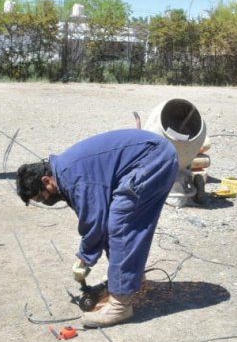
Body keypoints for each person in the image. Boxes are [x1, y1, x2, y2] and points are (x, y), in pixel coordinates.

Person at [15, 129, 179, 328]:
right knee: (118, 220)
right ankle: (130, 278)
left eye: (41, 197)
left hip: (153, 159)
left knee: (121, 224)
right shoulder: (66, 173)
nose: (45, 201)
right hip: (153, 157)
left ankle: (120, 306)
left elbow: (95, 221)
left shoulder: (73, 178)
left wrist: (84, 258)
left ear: (46, 180)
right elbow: (95, 218)